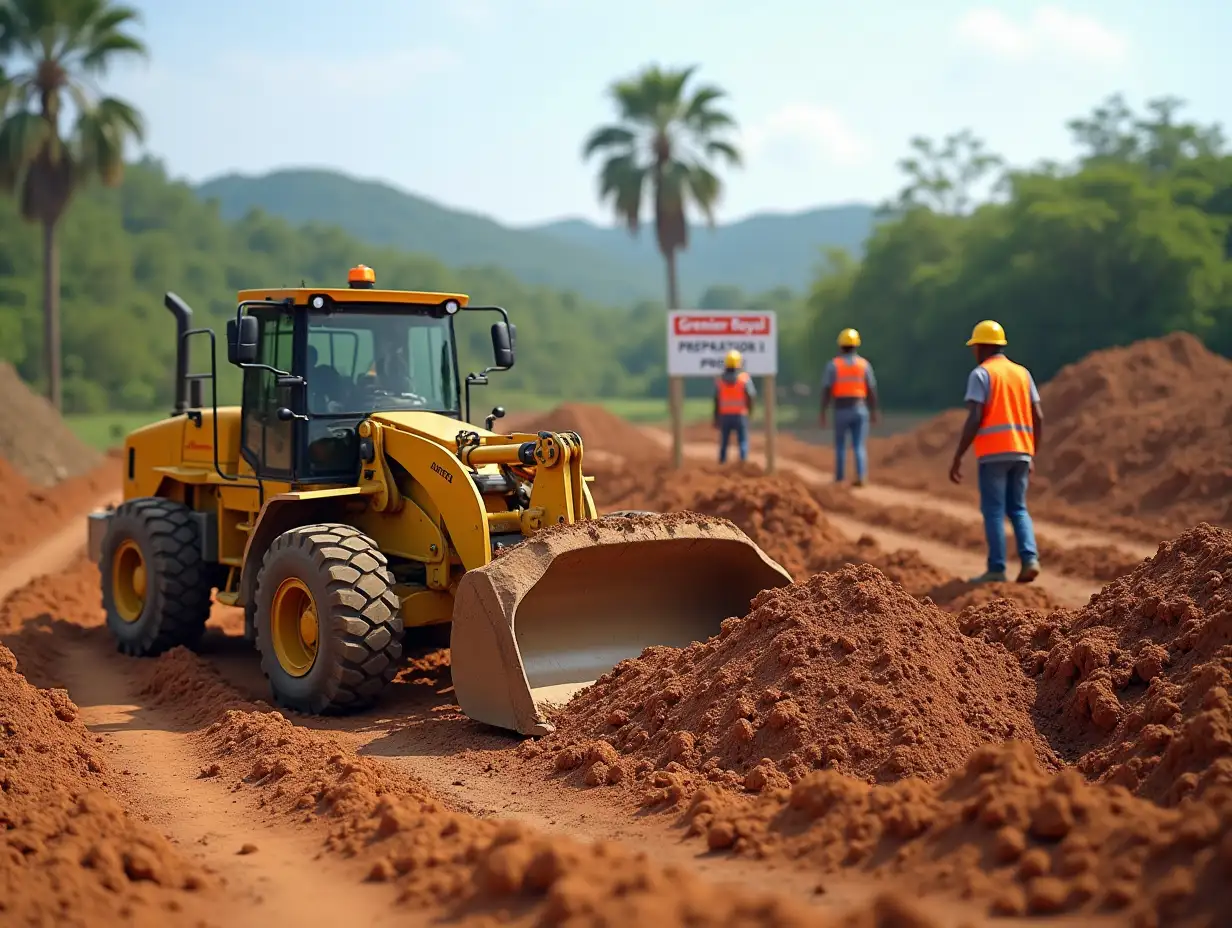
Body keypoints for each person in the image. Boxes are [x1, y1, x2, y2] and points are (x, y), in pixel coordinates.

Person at [948, 320, 1044, 584]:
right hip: (1021, 452)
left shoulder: (981, 374)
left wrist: (958, 455)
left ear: (981, 347)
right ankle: (1030, 559)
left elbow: (975, 416)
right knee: (1018, 508)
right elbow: (1038, 415)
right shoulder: (1023, 373)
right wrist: (1031, 451)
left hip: (993, 454)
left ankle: (997, 568)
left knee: (993, 510)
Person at [819, 328, 879, 486]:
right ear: (856, 345)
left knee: (840, 445)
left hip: (841, 409)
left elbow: (826, 389)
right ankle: (861, 476)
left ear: (840, 346)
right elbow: (871, 389)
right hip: (860, 409)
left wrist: (823, 412)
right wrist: (874, 411)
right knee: (859, 445)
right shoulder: (864, 365)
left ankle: (839, 478)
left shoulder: (833, 365)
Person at [713, 349, 756, 463]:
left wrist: (716, 418)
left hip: (725, 415)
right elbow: (751, 396)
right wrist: (750, 411)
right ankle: (743, 463)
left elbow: (716, 400)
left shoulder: (720, 380)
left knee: (724, 443)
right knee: (742, 441)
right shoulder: (744, 379)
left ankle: (722, 463)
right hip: (740, 415)